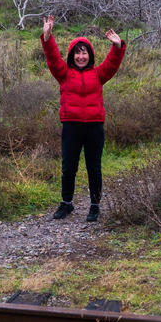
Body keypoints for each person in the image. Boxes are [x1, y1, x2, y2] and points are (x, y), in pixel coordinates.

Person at [41, 15, 126, 222]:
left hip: (94, 128)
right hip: (71, 127)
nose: (81, 57)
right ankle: (66, 204)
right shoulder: (63, 73)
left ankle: (95, 206)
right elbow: (52, 57)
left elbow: (112, 64)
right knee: (68, 167)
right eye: (77, 53)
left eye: (84, 53)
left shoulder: (98, 74)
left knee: (94, 167)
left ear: (90, 55)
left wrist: (117, 47)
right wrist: (47, 36)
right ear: (72, 55)